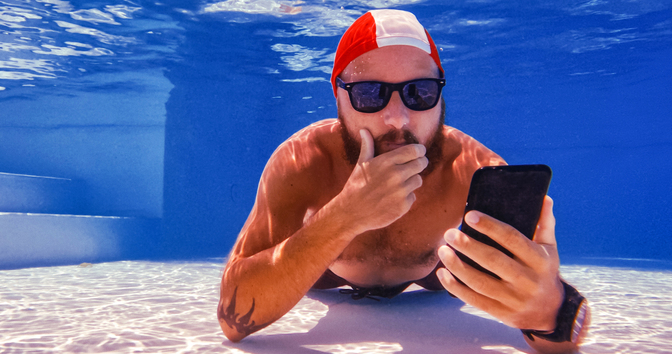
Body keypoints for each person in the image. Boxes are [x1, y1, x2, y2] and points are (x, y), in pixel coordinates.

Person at [217, 9, 589, 353]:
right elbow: (231, 321)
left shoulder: (474, 168)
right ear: (338, 96)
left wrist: (550, 309)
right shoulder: (304, 161)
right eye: (369, 94)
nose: (398, 119)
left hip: (431, 278)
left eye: (420, 92)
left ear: (441, 98)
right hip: (326, 276)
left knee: (454, 273)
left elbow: (555, 339)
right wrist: (344, 217)